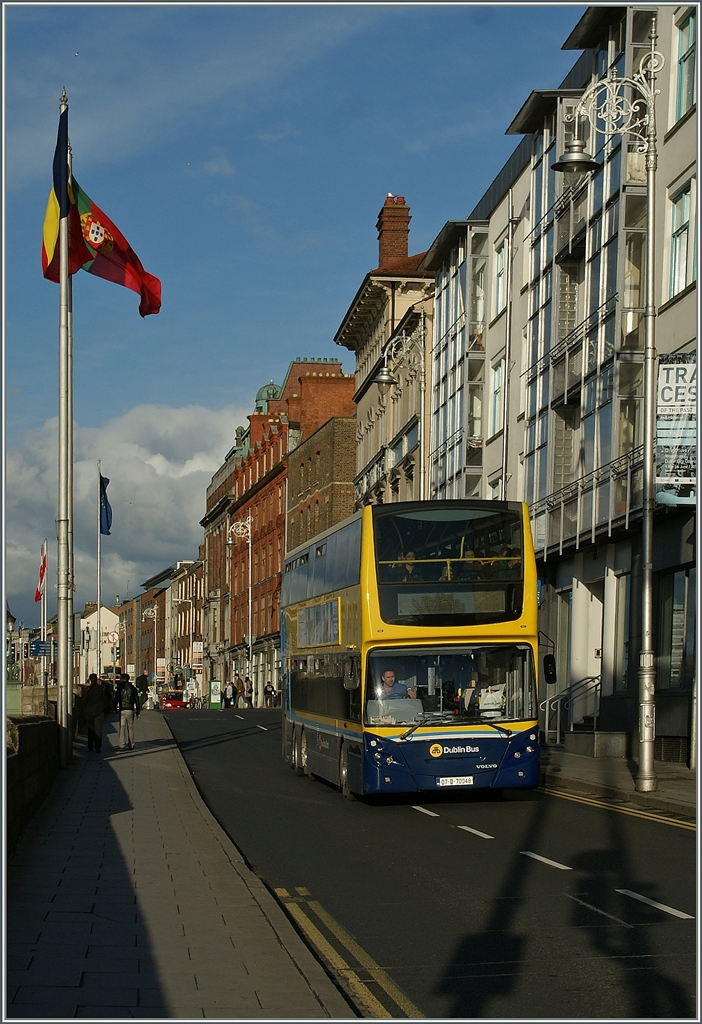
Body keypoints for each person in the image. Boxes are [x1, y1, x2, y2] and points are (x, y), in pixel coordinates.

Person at [115, 672, 140, 751]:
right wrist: (138, 711)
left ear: (122, 679)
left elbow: (116, 699)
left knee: (122, 727)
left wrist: (114, 708)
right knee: (130, 727)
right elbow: (137, 701)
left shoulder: (120, 688)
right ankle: (131, 744)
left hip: (122, 709)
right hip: (130, 709)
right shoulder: (133, 688)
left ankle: (121, 745)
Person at [83, 673, 105, 753]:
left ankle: (90, 746)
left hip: (89, 712)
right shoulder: (101, 689)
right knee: (98, 730)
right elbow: (105, 700)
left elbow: (84, 702)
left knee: (91, 729)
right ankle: (98, 747)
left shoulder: (87, 690)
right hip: (99, 712)